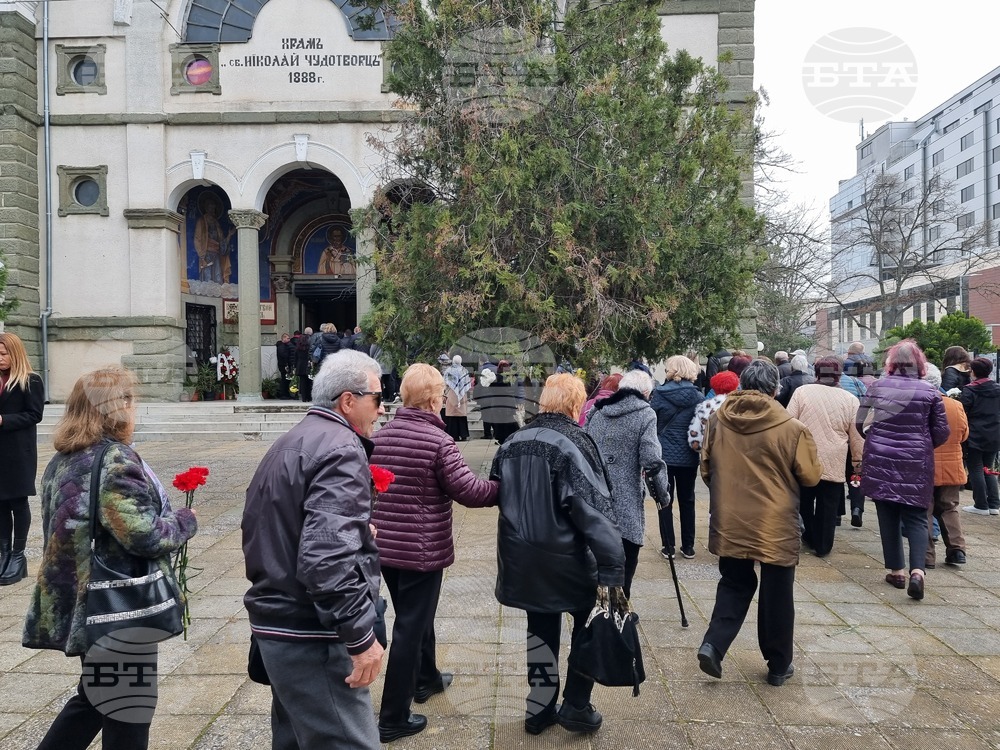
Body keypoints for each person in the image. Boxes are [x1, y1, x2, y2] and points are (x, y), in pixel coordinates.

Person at [23, 366, 197, 749]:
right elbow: (144, 535)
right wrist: (184, 522)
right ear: (117, 407)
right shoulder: (114, 460)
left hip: (82, 602)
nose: (134, 409)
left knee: (95, 701)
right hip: (115, 606)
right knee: (125, 712)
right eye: (131, 401)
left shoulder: (64, 458)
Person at [243, 349, 387, 750]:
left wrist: (357, 533)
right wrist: (359, 636)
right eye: (377, 398)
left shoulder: (293, 440)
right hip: (310, 632)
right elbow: (325, 557)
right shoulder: (340, 448)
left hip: (279, 623)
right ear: (347, 400)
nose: (382, 409)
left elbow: (273, 528)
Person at [491, 373, 624, 736]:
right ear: (575, 404)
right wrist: (613, 565)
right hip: (567, 558)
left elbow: (501, 493)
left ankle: (540, 708)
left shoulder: (512, 441)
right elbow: (592, 508)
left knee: (541, 630)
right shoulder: (574, 441)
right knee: (589, 625)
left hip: (522, 559)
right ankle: (577, 704)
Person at [370, 363, 498, 742]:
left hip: (385, 549)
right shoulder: (438, 442)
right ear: (431, 400)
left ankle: (426, 679)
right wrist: (503, 486)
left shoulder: (381, 435)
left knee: (416, 617)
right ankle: (393, 715)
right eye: (442, 394)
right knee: (411, 625)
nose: (444, 400)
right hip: (421, 552)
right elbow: (471, 492)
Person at [697, 360, 821, 687]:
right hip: (775, 522)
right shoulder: (792, 428)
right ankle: (779, 665)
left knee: (734, 583)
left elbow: (707, 471)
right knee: (777, 592)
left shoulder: (717, 422)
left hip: (731, 518)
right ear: (775, 389)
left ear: (741, 385)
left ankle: (714, 644)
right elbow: (810, 477)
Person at [856, 339, 949, 601]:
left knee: (887, 514)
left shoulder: (877, 387)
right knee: (917, 517)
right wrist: (922, 445)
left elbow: (859, 421)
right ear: (919, 363)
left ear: (892, 363)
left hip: (881, 458)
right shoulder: (929, 391)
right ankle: (917, 571)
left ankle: (896, 570)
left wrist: (873, 440)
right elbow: (941, 431)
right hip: (915, 461)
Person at [585, 369, 668, 600]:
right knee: (625, 563)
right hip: (626, 503)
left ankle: (597, 612)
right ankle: (619, 615)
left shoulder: (597, 411)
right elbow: (652, 460)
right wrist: (663, 495)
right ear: (645, 393)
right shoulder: (645, 415)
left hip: (593, 502)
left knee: (596, 563)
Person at [785, 357, 864, 557]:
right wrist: (857, 462)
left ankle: (808, 534)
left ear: (817, 373)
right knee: (828, 504)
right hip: (834, 458)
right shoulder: (850, 400)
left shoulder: (802, 393)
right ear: (838, 375)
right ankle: (823, 545)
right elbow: (857, 436)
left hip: (804, 457)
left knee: (803, 500)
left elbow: (788, 423)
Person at [0, 332, 45, 584]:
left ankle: (18, 556)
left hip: (18, 453)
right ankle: (3, 554)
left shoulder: (31, 380)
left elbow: (34, 414)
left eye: (4, 354)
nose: (0, 358)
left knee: (18, 502)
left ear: (15, 353)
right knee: (0, 504)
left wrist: (4, 420)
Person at [650, 355, 703, 559]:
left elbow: (652, 423)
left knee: (665, 500)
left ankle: (668, 546)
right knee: (687, 499)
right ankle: (688, 546)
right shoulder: (698, 397)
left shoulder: (660, 394)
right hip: (688, 455)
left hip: (664, 455)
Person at [923, 364, 969, 567]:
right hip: (951, 465)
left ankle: (926, 556)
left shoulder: (919, 405)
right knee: (950, 507)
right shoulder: (954, 405)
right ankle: (957, 550)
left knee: (924, 510)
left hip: (924, 466)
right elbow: (964, 434)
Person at [959, 357, 1000, 515]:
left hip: (976, 434)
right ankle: (994, 505)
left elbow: (964, 411)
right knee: (988, 468)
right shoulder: (997, 389)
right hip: (995, 433)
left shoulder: (970, 389)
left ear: (973, 372)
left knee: (976, 468)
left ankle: (981, 505)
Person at [687, 371, 740, 453]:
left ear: (714, 389)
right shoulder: (742, 405)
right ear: (736, 387)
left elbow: (695, 440)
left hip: (715, 455)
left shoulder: (705, 408)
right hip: (739, 454)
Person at [442, 355, 472, 441]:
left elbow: (446, 383)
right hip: (462, 395)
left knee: (452, 415)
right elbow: (467, 383)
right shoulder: (464, 370)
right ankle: (463, 434)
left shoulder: (449, 370)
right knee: (461, 415)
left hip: (452, 394)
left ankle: (453, 435)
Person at [295, 326, 314, 402]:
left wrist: (295, 365)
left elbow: (295, 354)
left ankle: (303, 397)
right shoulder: (311, 341)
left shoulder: (299, 341)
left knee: (302, 382)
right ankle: (309, 397)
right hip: (308, 363)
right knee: (309, 381)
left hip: (300, 364)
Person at [275, 332, 293, 399]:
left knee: (287, 380)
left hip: (284, 365)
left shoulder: (283, 346)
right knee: (284, 380)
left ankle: (286, 393)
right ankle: (283, 394)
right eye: (288, 338)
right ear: (284, 338)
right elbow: (284, 355)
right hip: (283, 365)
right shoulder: (281, 346)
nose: (289, 340)